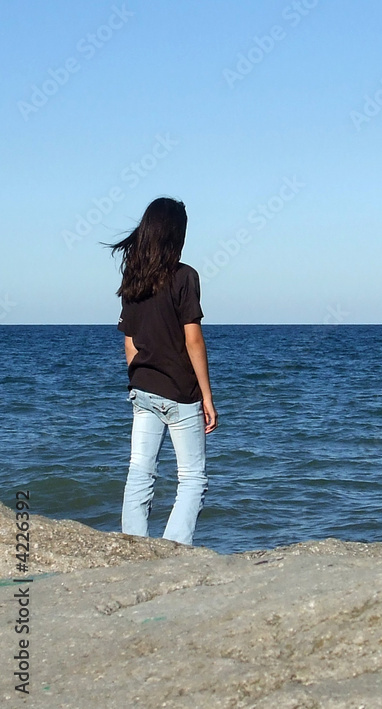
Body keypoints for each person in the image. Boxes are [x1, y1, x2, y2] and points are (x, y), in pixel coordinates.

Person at [107, 197, 217, 545]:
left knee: (140, 472)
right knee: (193, 478)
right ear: (175, 234)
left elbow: (130, 343)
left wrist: (140, 381)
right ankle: (174, 551)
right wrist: (207, 397)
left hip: (142, 388)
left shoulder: (134, 279)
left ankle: (134, 548)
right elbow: (193, 341)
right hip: (181, 393)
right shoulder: (186, 277)